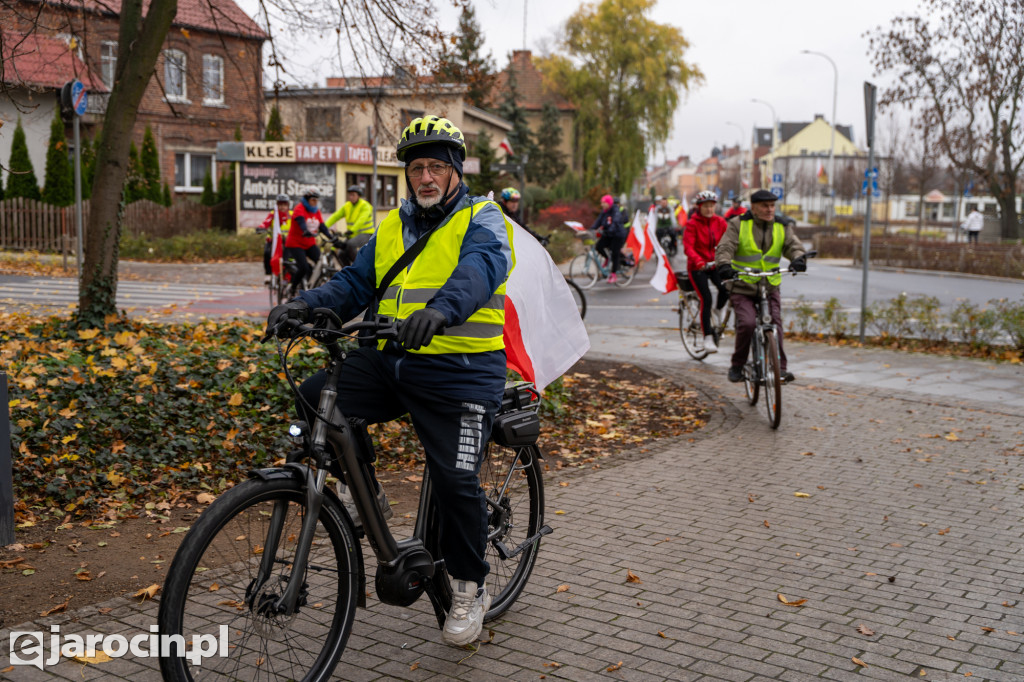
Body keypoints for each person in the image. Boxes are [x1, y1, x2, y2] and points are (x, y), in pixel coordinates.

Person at [265, 114, 515, 648]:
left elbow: (480, 270)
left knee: (455, 481)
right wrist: (304, 304)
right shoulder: (394, 225)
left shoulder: (485, 218)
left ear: (454, 171)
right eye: (416, 168)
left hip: (462, 370)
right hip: (394, 359)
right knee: (313, 399)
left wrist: (441, 311)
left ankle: (471, 586)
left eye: (435, 167)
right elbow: (355, 283)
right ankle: (367, 494)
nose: (424, 177)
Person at [715, 188, 806, 384]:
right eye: (765, 206)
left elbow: (793, 246)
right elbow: (726, 247)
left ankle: (780, 369)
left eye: (772, 205)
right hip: (742, 285)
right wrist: (724, 264)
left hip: (770, 285)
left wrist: (798, 258)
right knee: (747, 324)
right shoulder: (738, 224)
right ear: (754, 208)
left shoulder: (782, 226)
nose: (770, 209)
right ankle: (737, 365)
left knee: (776, 324)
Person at [683, 190, 728, 353]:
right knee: (706, 299)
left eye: (712, 206)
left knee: (726, 288)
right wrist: (699, 261)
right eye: (706, 206)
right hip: (698, 267)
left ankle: (718, 310)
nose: (709, 209)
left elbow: (728, 242)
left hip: (715, 264)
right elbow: (688, 246)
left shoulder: (721, 222)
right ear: (699, 207)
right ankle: (707, 337)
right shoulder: (692, 224)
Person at [282, 188, 325, 287]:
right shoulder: (299, 208)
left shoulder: (316, 211)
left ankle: (310, 285)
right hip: (295, 243)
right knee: (303, 267)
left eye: (316, 200)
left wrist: (332, 237)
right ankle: (293, 288)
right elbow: (301, 222)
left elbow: (322, 226)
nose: (315, 202)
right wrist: (305, 231)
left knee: (320, 262)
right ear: (307, 199)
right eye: (313, 200)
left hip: (309, 243)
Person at [326, 184, 375, 262]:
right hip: (352, 235)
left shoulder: (365, 206)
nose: (351, 197)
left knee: (350, 244)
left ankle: (360, 266)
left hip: (366, 234)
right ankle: (348, 272)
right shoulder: (347, 206)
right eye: (350, 195)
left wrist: (352, 230)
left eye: (353, 195)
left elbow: (361, 220)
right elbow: (335, 216)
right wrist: (324, 226)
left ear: (358, 196)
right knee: (341, 254)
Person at [591, 194, 627, 283]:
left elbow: (615, 221)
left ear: (609, 203)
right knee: (599, 246)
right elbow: (598, 221)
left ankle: (614, 274)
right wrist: (591, 229)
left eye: (604, 203)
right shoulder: (604, 211)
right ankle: (607, 258)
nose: (602, 205)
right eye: (601, 203)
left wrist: (611, 229)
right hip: (609, 234)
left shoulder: (615, 210)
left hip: (618, 234)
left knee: (615, 252)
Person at [258, 193, 291, 281]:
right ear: (277, 205)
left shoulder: (292, 214)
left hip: (288, 241)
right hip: (274, 241)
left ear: (288, 205)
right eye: (280, 204)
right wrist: (261, 228)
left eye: (284, 204)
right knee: (267, 253)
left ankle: (289, 274)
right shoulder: (273, 214)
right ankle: (268, 274)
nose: (282, 207)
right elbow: (265, 223)